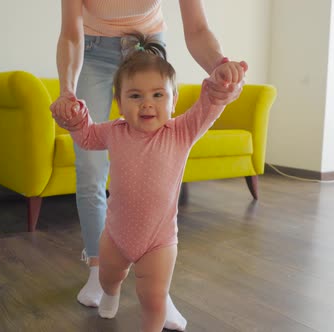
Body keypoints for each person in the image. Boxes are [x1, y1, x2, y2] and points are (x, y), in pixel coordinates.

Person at [50, 1, 243, 330]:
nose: (148, 105)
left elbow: (199, 43)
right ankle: (102, 276)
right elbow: (71, 35)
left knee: (152, 295)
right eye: (135, 97)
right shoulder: (113, 131)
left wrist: (220, 72)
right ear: (120, 102)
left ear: (173, 99)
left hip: (150, 42)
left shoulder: (181, 131)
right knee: (90, 172)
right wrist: (69, 103)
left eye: (158, 96)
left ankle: (159, 292)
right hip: (92, 47)